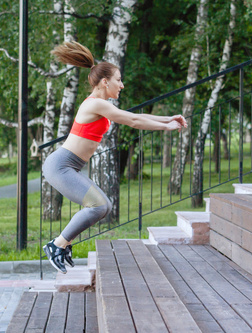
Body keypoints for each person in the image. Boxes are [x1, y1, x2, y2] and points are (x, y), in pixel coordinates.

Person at [42, 41, 187, 273]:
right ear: (105, 81)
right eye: (118, 80)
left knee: (104, 206)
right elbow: (133, 121)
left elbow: (133, 115)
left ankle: (63, 244)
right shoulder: (96, 103)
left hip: (70, 166)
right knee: (98, 206)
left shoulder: (103, 105)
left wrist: (168, 118)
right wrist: (166, 126)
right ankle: (56, 245)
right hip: (61, 166)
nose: (122, 85)